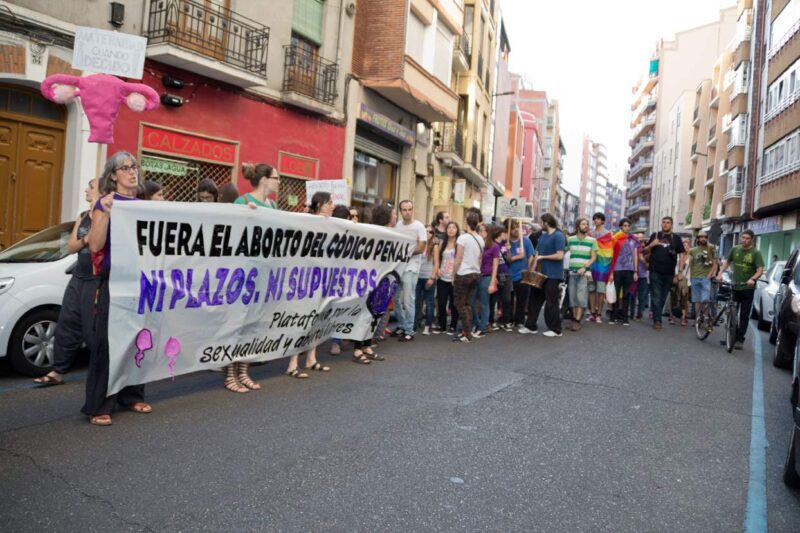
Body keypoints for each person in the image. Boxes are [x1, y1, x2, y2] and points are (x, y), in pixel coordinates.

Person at [83, 152, 149, 426]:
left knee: (138, 337)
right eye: (124, 168)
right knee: (107, 342)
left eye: (134, 167)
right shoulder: (105, 203)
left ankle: (131, 395)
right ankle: (100, 403)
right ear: (113, 175)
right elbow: (95, 246)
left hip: (140, 281)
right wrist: (107, 215)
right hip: (114, 280)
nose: (132, 172)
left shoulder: (144, 206)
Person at [34, 178, 100, 386]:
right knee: (67, 322)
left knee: (93, 328)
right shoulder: (82, 216)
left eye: (91, 186)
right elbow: (71, 247)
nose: (86, 190)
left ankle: (101, 373)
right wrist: (85, 240)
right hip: (78, 276)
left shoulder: (107, 216)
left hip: (96, 279)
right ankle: (58, 371)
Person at [226, 162, 282, 390]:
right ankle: (230, 373)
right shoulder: (243, 202)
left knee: (254, 323)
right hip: (245, 272)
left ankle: (244, 369)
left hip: (265, 273)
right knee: (238, 322)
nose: (278, 182)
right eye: (276, 177)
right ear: (264, 180)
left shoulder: (274, 206)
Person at [284, 192, 335, 376]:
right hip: (305, 280)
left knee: (317, 320)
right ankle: (292, 363)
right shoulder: (307, 221)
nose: (333, 206)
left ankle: (311, 359)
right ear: (320, 204)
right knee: (302, 320)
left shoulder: (333, 224)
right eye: (330, 202)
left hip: (321, 279)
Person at [716, 229, 764, 349]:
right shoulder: (735, 249)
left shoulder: (756, 253)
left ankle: (739, 339)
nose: (745, 240)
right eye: (743, 238)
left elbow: (760, 270)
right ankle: (730, 336)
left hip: (747, 287)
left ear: (752, 239)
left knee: (744, 315)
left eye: (747, 238)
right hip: (735, 285)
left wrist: (753, 279)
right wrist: (720, 273)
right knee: (732, 312)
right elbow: (727, 262)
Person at [525, 213, 566, 337]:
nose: (540, 224)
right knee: (534, 299)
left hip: (553, 274)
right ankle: (530, 326)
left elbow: (560, 255)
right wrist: (532, 269)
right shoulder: (542, 236)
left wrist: (544, 257)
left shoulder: (558, 236)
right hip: (540, 273)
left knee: (551, 302)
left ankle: (555, 329)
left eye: (541, 222)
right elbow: (538, 254)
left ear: (546, 222)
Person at [391, 200, 427, 341]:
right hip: (398, 268)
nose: (407, 212)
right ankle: (402, 325)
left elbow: (422, 248)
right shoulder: (397, 226)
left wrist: (404, 252)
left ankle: (409, 330)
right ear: (401, 211)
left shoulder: (419, 226)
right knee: (395, 299)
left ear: (413, 210)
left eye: (409, 209)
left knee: (408, 300)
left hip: (411, 268)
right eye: (404, 209)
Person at [645, 216, 686, 330]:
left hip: (669, 273)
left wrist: (680, 271)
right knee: (656, 295)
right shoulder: (655, 235)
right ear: (661, 224)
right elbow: (645, 250)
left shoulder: (676, 238)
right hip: (655, 271)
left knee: (662, 297)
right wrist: (652, 245)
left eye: (668, 223)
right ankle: (657, 321)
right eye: (663, 222)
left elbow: (682, 254)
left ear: (671, 224)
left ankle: (656, 314)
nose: (665, 224)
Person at [453, 211, 483, 343]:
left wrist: (454, 274)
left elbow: (458, 258)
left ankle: (467, 332)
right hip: (476, 273)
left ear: (466, 222)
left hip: (463, 273)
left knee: (460, 303)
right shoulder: (480, 239)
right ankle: (467, 331)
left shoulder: (463, 238)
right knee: (468, 304)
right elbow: (480, 259)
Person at [565, 218, 597, 331]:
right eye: (583, 224)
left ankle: (577, 321)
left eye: (587, 224)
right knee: (572, 298)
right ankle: (574, 319)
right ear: (577, 226)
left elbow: (593, 257)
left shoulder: (592, 240)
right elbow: (564, 251)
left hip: (584, 273)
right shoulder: (570, 239)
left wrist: (585, 267)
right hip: (572, 272)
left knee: (581, 297)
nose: (586, 226)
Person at [505, 219, 535, 333]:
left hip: (522, 275)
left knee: (522, 299)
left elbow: (531, 255)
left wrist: (529, 269)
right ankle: (509, 319)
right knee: (509, 300)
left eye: (517, 227)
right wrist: (508, 251)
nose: (516, 230)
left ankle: (520, 321)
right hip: (509, 275)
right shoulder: (506, 243)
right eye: (512, 228)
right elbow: (507, 260)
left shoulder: (525, 241)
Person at [609, 218, 639, 326]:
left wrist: (636, 271)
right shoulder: (616, 238)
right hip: (617, 269)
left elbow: (635, 255)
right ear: (621, 226)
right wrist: (611, 272)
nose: (627, 227)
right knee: (615, 294)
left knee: (626, 294)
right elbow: (611, 255)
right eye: (624, 225)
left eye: (628, 225)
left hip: (629, 270)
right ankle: (613, 316)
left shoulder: (633, 240)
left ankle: (625, 317)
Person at [475, 224, 501, 336]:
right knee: (471, 302)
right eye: (479, 231)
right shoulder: (477, 244)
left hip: (487, 276)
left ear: (488, 232)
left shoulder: (494, 246)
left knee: (484, 303)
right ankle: (478, 323)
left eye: (483, 231)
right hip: (476, 275)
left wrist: (492, 281)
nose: (481, 233)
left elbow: (496, 265)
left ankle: (482, 328)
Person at [436, 221, 460, 334]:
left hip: (454, 278)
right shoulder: (442, 243)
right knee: (441, 302)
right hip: (442, 277)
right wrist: (438, 269)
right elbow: (438, 258)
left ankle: (453, 325)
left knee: (454, 303)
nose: (451, 229)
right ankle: (442, 324)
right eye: (449, 227)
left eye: (453, 227)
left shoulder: (459, 244)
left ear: (457, 230)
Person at [589, 213, 613, 323]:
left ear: (603, 221)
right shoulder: (590, 233)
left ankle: (599, 314)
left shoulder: (608, 234)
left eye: (598, 218)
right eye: (594, 219)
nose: (596, 220)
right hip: (591, 264)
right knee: (591, 289)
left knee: (601, 290)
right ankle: (592, 313)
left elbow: (610, 251)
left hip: (603, 265)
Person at [416, 226, 439, 335]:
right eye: (426, 231)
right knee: (417, 302)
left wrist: (432, 277)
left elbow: (436, 263)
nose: (428, 233)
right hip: (417, 277)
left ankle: (427, 325)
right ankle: (416, 324)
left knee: (429, 303)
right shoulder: (419, 244)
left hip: (428, 277)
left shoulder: (434, 246)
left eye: (431, 231)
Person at [490, 227, 513, 331]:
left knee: (506, 299)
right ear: (499, 234)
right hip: (495, 273)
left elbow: (509, 260)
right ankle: (491, 321)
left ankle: (506, 320)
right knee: (493, 298)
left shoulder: (505, 245)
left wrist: (508, 250)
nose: (506, 235)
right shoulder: (492, 244)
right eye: (504, 233)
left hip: (505, 273)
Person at [630, 232, 650, 320]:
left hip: (643, 276)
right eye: (638, 239)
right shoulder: (632, 249)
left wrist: (643, 260)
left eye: (641, 240)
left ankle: (640, 313)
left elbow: (648, 267)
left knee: (642, 296)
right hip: (633, 275)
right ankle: (631, 313)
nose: (640, 242)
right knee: (632, 295)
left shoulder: (647, 252)